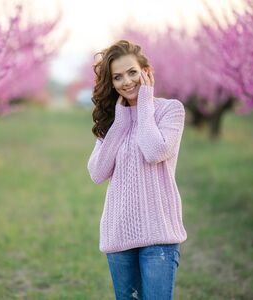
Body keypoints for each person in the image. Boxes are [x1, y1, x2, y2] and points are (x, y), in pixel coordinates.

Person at [87, 40, 187, 300]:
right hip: (119, 233)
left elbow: (154, 152)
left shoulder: (170, 110)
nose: (127, 82)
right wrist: (119, 124)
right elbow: (97, 173)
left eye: (132, 72)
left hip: (159, 234)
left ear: (146, 71)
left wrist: (143, 105)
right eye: (117, 77)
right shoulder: (112, 121)